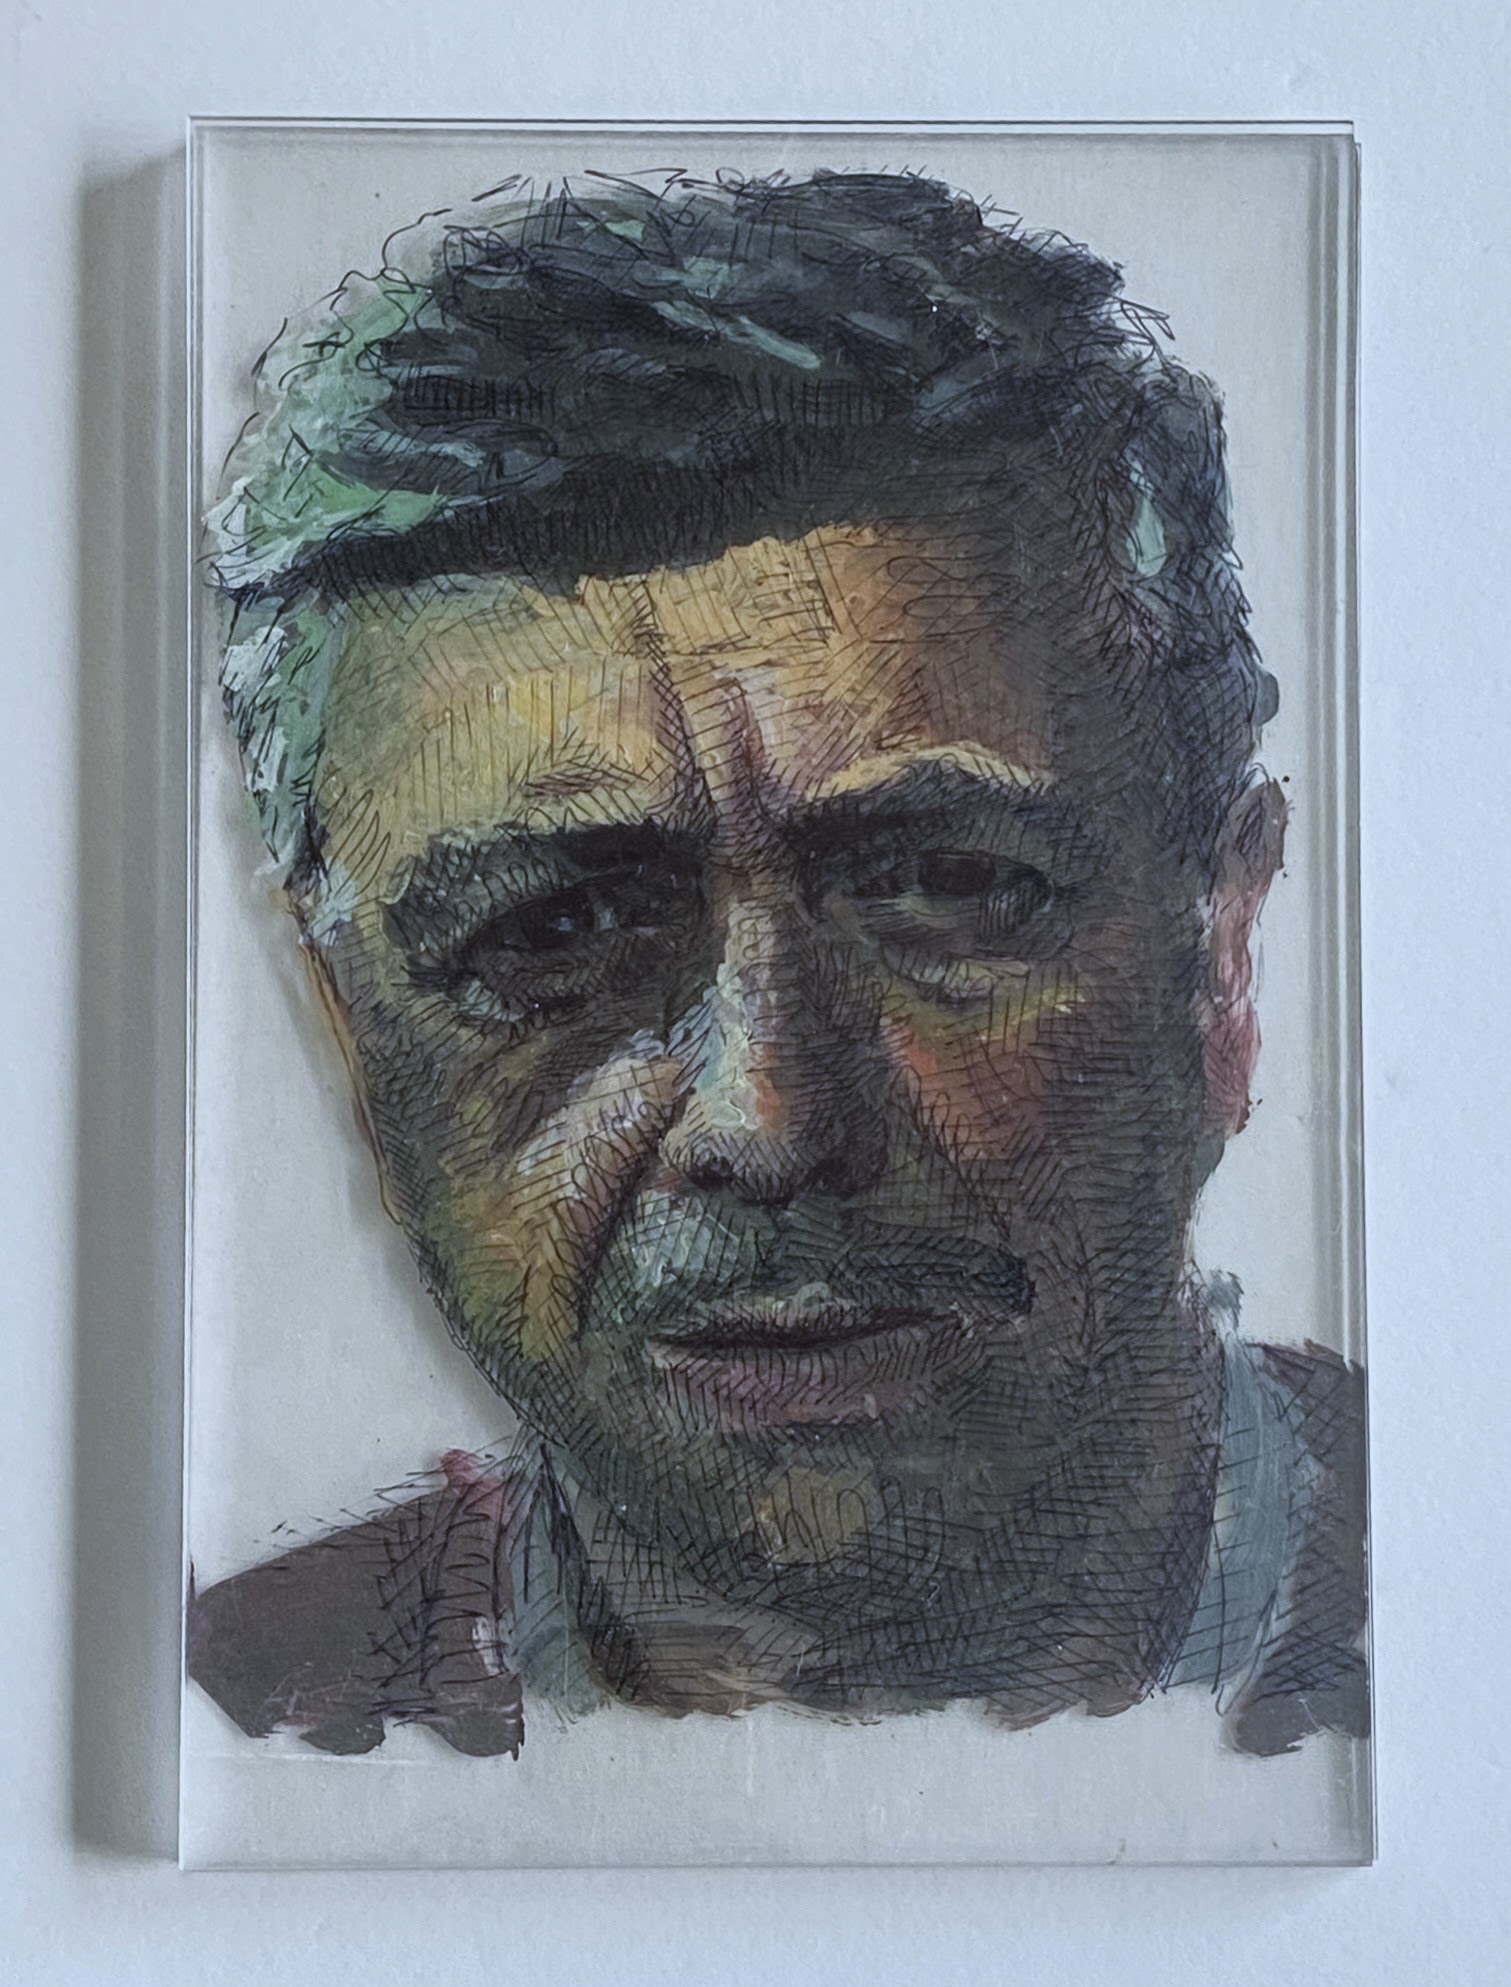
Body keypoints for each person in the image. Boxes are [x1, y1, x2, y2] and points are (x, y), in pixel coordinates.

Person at [188, 168, 1366, 1762]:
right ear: (352, 1036)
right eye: (551, 931)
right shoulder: (238, 1713)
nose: (770, 1116)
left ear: (1220, 947)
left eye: (949, 886)